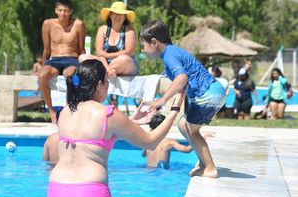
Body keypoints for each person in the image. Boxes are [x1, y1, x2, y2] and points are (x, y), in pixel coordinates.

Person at [47, 59, 186, 196]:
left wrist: (130, 122)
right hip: (89, 189)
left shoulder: (65, 112)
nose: (108, 85)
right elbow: (151, 142)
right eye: (107, 81)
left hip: (56, 187)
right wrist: (175, 109)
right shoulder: (108, 114)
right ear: (99, 85)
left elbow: (90, 137)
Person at [139, 20, 226, 178]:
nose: (142, 50)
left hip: (208, 93)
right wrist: (175, 105)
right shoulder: (172, 54)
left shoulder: (169, 55)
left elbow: (182, 78)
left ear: (154, 42)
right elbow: (183, 86)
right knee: (183, 125)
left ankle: (210, 168)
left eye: (143, 45)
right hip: (214, 92)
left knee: (190, 130)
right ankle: (203, 162)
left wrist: (162, 100)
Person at [42, 102, 156, 167]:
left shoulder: (50, 139)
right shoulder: (77, 136)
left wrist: (132, 121)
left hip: (57, 178)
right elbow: (103, 135)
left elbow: (45, 162)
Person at [39, 0, 86, 123]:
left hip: (72, 59)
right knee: (42, 75)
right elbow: (47, 49)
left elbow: (81, 49)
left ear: (71, 12)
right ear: (55, 10)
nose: (63, 13)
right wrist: (43, 65)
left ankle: (67, 110)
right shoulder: (47, 24)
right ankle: (52, 111)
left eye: (65, 11)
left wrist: (84, 66)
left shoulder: (78, 24)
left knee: (70, 76)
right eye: (60, 10)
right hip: (54, 60)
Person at [78, 1, 137, 78]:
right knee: (82, 57)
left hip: (123, 64)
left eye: (120, 14)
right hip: (104, 63)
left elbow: (128, 52)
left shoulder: (129, 31)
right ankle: (107, 72)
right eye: (115, 13)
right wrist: (107, 67)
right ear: (110, 15)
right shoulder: (102, 29)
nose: (117, 16)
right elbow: (99, 52)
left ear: (125, 17)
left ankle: (103, 73)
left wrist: (108, 55)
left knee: (125, 59)